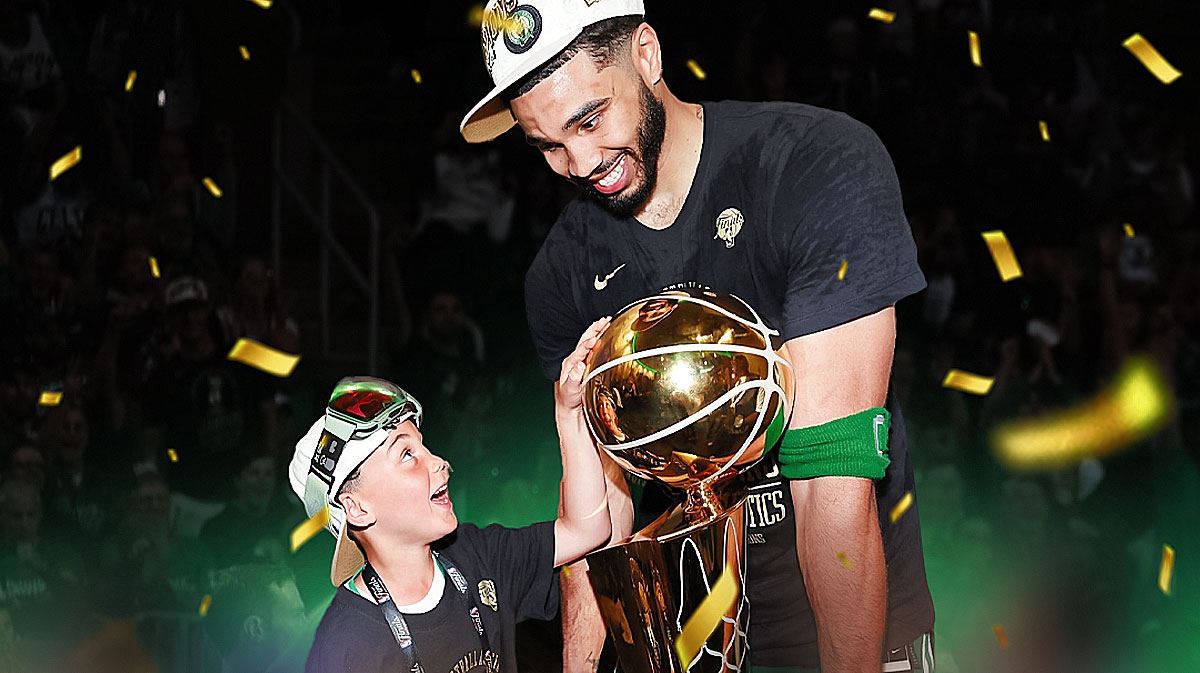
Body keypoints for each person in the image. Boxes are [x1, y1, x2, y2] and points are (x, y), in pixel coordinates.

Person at [460, 2, 934, 671]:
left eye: (591, 118)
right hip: (696, 646)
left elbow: (833, 486)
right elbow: (603, 523)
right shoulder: (563, 272)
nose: (581, 162)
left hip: (860, 631)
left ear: (647, 54)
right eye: (548, 147)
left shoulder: (814, 166)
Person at [289, 318, 612, 673]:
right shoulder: (346, 647)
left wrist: (570, 412)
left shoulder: (475, 555)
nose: (439, 462)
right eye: (407, 455)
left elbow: (588, 530)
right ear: (358, 508)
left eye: (423, 447)